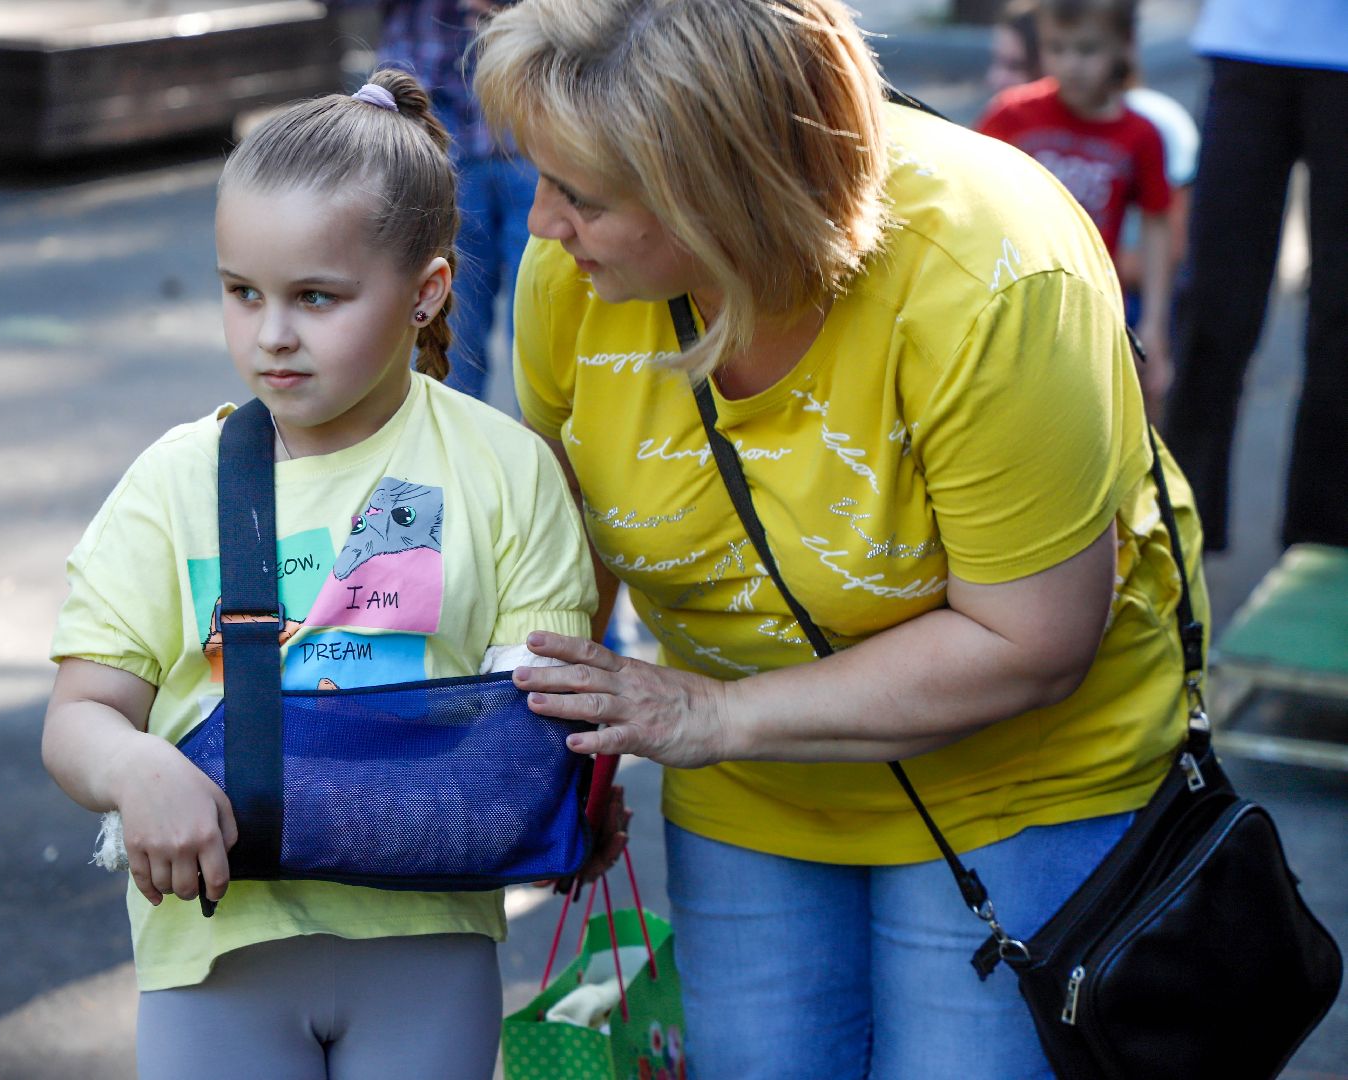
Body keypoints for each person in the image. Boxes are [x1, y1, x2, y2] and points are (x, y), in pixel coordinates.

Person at [472, 1, 1209, 1077]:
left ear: (718, 195)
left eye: (580, 196)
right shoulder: (579, 280)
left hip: (1017, 784)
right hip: (752, 784)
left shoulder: (989, 270)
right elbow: (563, 549)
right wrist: (552, 770)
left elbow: (1034, 640)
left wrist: (712, 712)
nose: (540, 224)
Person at [41, 69, 596, 1080]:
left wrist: (573, 781)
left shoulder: (507, 471)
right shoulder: (175, 483)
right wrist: (136, 769)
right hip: (216, 955)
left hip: (427, 951)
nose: (273, 335)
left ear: (427, 291)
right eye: (242, 293)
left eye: (316, 298)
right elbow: (80, 714)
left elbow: (534, 728)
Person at [1162, 0, 1348, 553]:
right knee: (1213, 302)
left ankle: (1319, 548)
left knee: (1340, 313)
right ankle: (1179, 528)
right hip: (1244, 44)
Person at [977, 0, 1175, 417]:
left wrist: (1155, 323)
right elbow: (973, 196)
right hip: (1011, 298)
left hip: (1094, 309)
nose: (1070, 64)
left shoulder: (1141, 135)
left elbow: (1157, 223)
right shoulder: (1012, 114)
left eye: (1087, 50)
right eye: (1056, 47)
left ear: (1122, 46)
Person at [375, 0, 538, 402]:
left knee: (542, 327)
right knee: (447, 327)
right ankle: (450, 454)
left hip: (533, 120)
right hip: (430, 126)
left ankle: (541, 457)